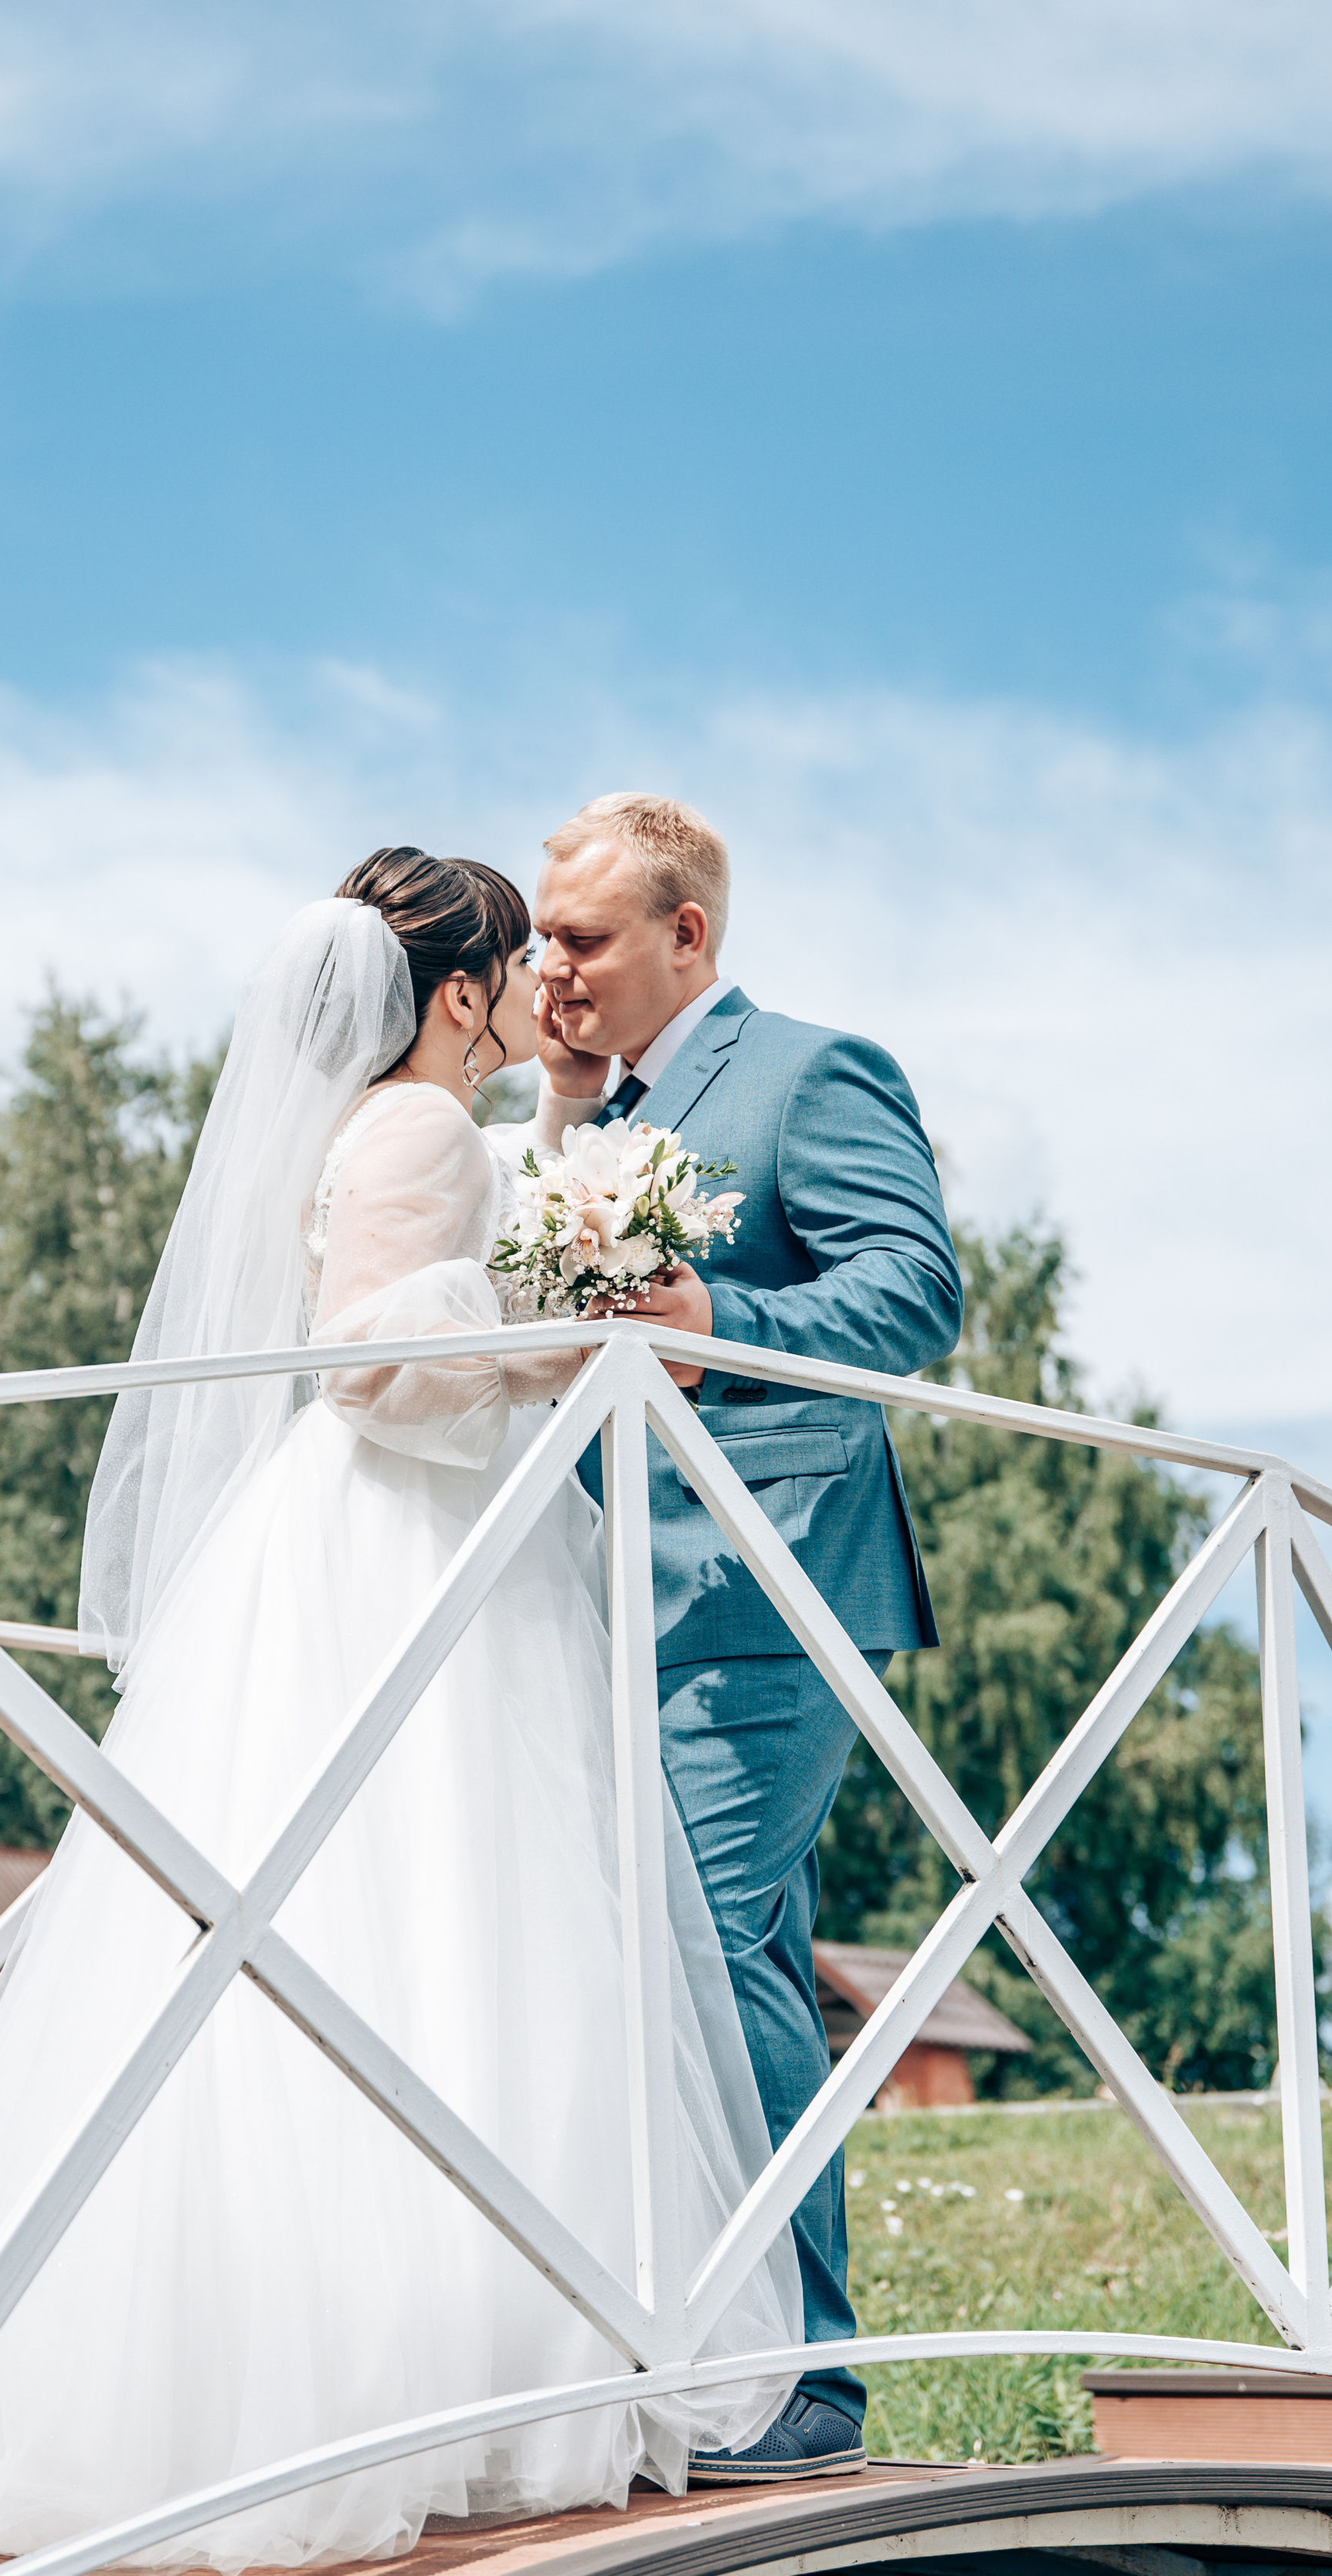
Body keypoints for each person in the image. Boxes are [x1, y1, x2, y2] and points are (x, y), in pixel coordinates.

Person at [0, 850, 800, 2576]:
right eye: (506, 971)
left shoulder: (396, 1130)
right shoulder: (402, 1130)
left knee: (373, 1926)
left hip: (374, 1542)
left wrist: (556, 1169)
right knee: (436, 1916)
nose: (527, 994)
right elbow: (374, 1368)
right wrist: (548, 1334)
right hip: (394, 1549)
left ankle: (405, 2363)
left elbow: (457, 1240)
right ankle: (433, 2379)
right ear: (453, 989)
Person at [513, 793, 963, 2483]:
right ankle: (688, 2351)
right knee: (659, 1971)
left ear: (683, 937)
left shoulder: (807, 1072)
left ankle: (807, 2379)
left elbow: (911, 1290)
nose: (545, 969)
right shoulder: (595, 1108)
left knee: (715, 1949)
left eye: (580, 939)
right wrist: (563, 1114)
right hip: (593, 1598)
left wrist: (727, 1323)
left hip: (764, 1587)